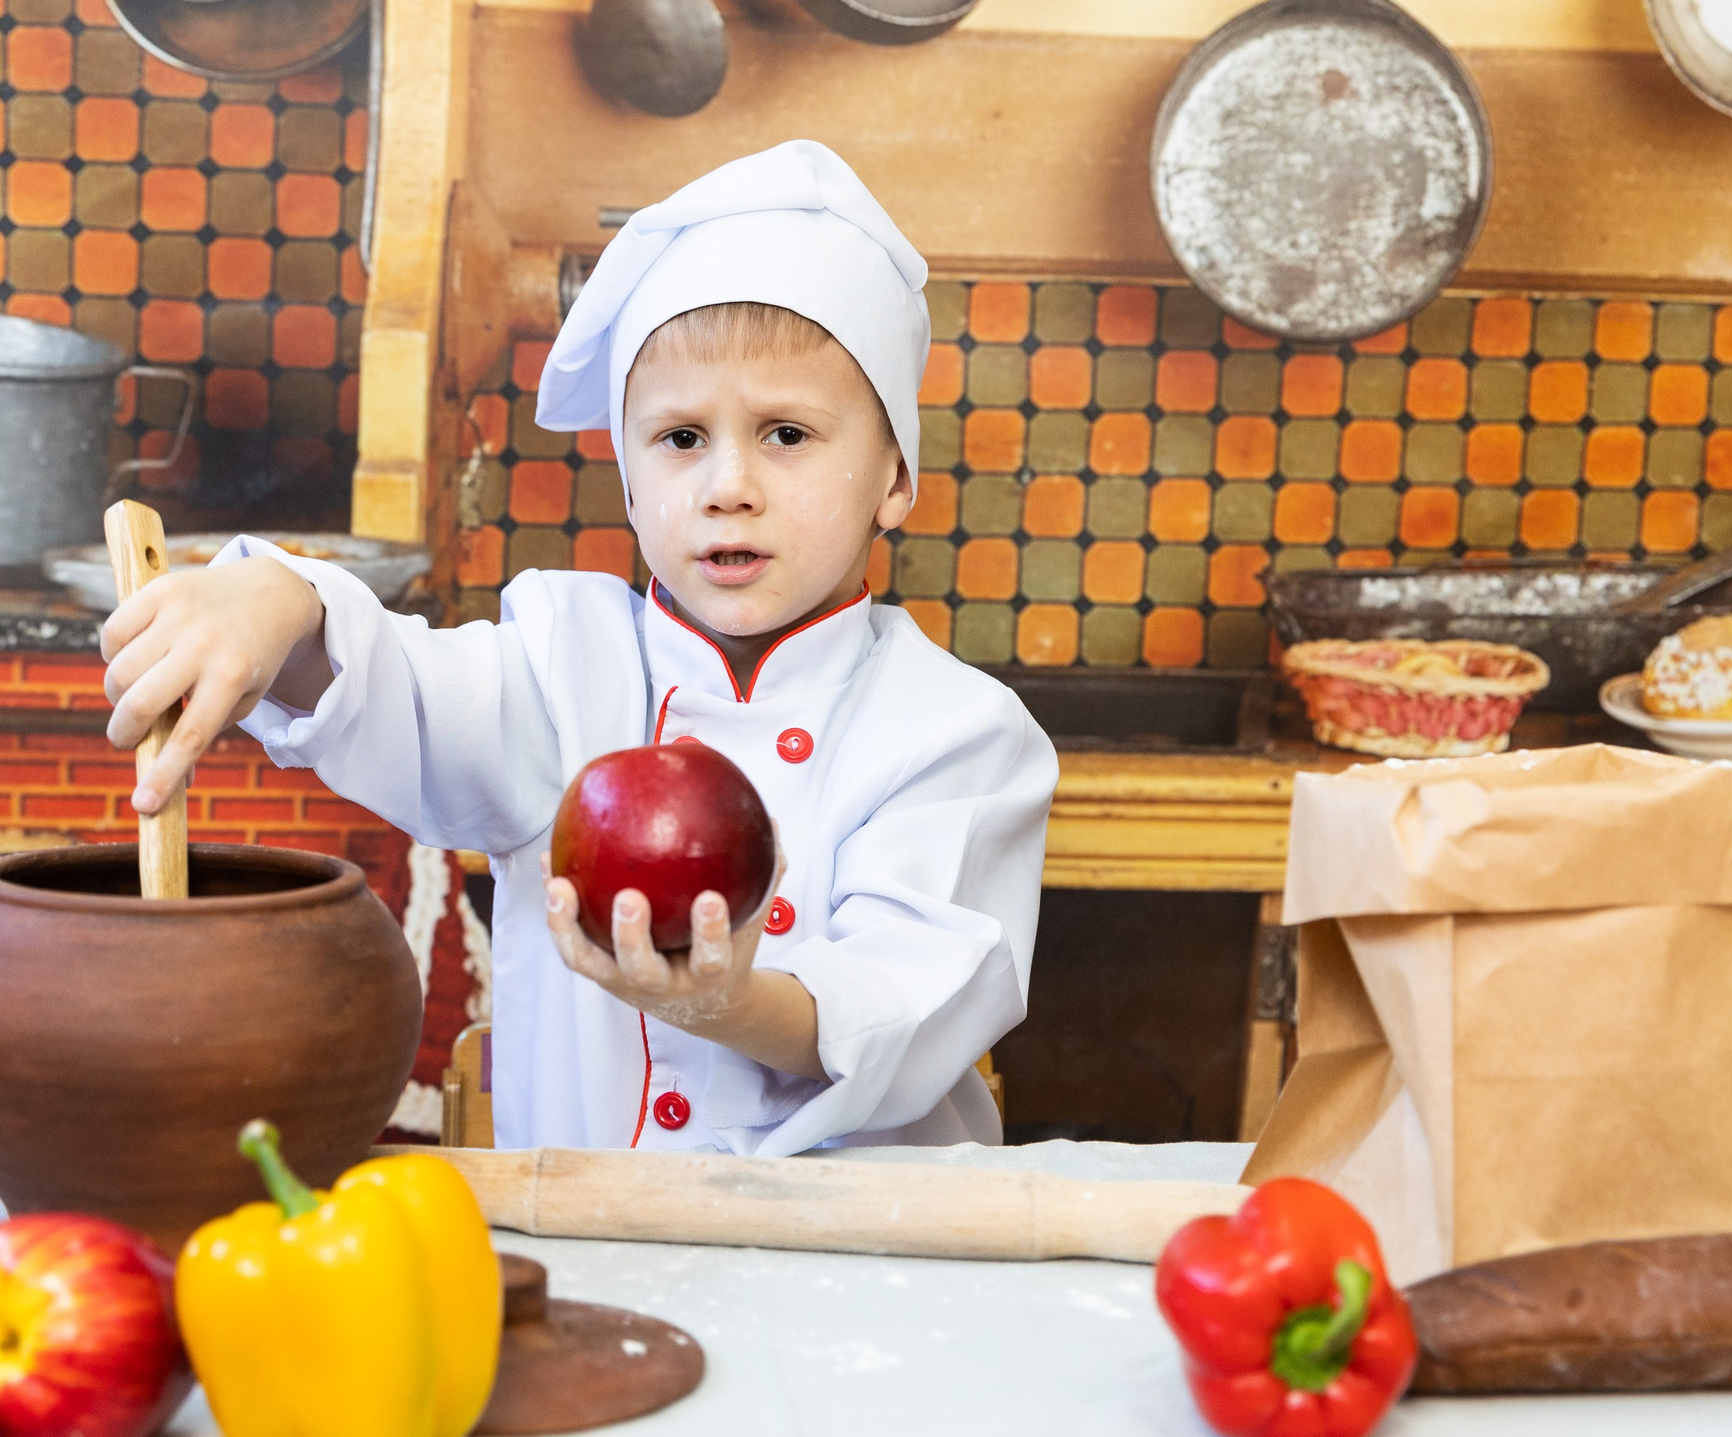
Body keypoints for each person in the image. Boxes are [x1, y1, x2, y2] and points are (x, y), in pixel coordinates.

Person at [99, 139, 1056, 1154]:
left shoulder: (955, 732)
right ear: (630, 483)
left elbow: (905, 1002)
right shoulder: (561, 667)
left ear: (896, 476)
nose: (728, 485)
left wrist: (727, 1003)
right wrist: (278, 602)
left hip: (868, 1242)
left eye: (786, 433)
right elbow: (398, 688)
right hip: (585, 1234)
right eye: (680, 438)